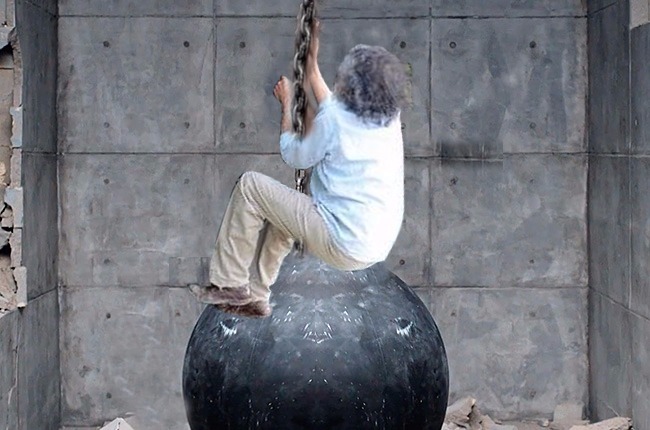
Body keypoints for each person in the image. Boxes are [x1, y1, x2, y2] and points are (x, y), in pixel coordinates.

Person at [189, 21, 409, 318]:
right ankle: (257, 296)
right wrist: (310, 65)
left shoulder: (334, 121)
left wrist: (287, 103)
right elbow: (332, 110)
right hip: (375, 244)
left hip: (342, 242)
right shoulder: (388, 117)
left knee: (250, 186)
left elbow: (293, 155)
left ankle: (230, 284)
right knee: (284, 217)